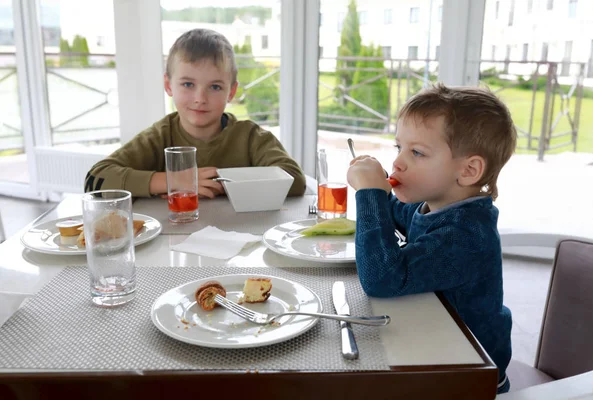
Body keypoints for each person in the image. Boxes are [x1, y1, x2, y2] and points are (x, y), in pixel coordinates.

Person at [347, 83, 516, 394]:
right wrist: (383, 194)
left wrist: (369, 194)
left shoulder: (465, 235)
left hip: (468, 372)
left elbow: (382, 278)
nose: (397, 163)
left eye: (417, 152)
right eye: (399, 147)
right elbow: (401, 213)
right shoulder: (438, 203)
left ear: (468, 170)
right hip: (434, 339)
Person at [84, 29, 305, 198]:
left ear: (232, 91)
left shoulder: (250, 137)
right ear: (169, 85)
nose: (200, 98)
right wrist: (176, 181)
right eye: (188, 84)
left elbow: (294, 180)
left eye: (215, 87)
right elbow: (96, 179)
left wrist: (220, 185)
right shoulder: (159, 136)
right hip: (170, 247)